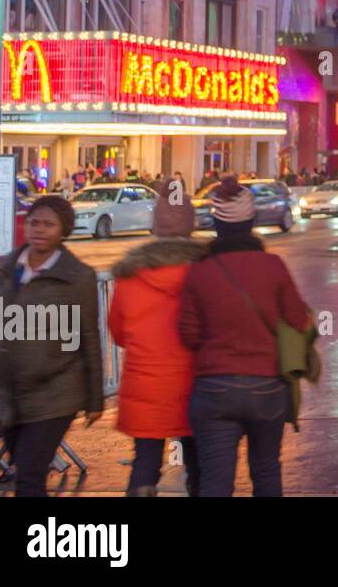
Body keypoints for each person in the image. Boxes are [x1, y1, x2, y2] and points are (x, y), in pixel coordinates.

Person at [178, 196, 311, 496]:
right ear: (251, 225)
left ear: (217, 227)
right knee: (266, 469)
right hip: (267, 386)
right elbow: (299, 320)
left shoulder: (200, 271)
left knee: (215, 479)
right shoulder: (272, 265)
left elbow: (188, 334)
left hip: (213, 388)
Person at [0, 197, 103, 497]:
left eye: (49, 224)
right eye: (34, 222)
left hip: (56, 394)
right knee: (25, 471)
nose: (39, 230)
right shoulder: (8, 269)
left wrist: (95, 399)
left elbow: (88, 336)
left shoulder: (78, 277)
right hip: (10, 395)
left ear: (63, 230)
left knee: (30, 478)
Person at [109, 186, 206, 496]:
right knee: (199, 463)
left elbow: (119, 333)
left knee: (145, 463)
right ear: (191, 225)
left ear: (155, 226)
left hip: (145, 385)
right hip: (195, 385)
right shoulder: (207, 271)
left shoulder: (131, 275)